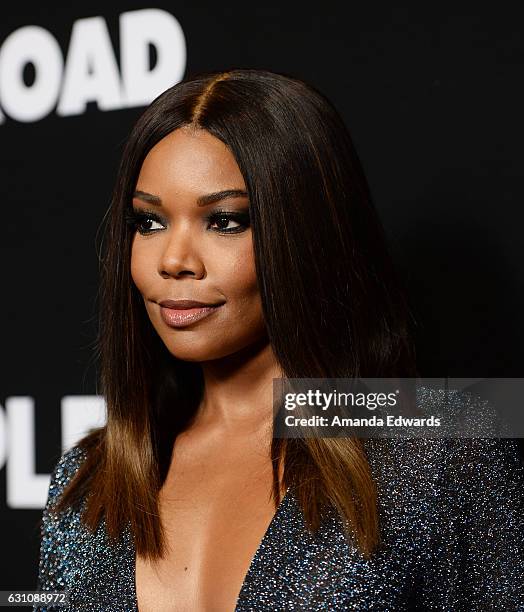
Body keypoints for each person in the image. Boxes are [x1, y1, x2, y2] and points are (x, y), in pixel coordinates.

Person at [34, 69, 524, 611]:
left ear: (307, 233)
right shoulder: (88, 479)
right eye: (149, 223)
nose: (172, 260)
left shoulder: (445, 447)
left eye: (224, 220)